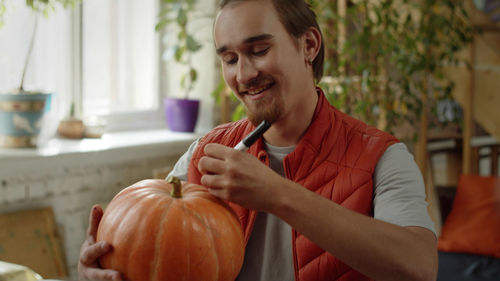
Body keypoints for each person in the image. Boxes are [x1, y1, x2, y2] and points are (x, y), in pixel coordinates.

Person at [78, 0, 438, 280]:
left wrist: (277, 194)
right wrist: (108, 265)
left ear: (309, 44)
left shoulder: (383, 158)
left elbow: (419, 267)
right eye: (230, 59)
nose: (244, 74)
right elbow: (156, 253)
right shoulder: (204, 153)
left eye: (259, 51)